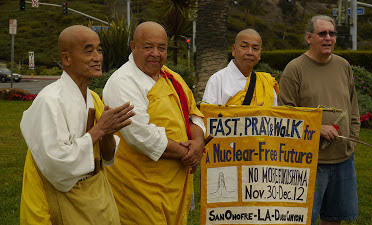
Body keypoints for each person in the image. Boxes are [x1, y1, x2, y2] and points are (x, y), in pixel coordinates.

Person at [19, 25, 135, 225]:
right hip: (62, 197)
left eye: (99, 50)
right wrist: (99, 129)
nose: (97, 57)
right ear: (66, 59)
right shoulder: (50, 100)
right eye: (88, 51)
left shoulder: (94, 99)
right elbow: (56, 164)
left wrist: (108, 133)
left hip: (96, 194)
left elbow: (106, 158)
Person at [102, 21, 206, 224]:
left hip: (175, 188)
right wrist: (188, 153)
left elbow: (193, 115)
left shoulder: (172, 77)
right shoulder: (123, 82)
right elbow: (140, 136)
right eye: (148, 47)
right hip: (138, 191)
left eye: (162, 48)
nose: (156, 54)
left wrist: (198, 142)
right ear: (133, 47)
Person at [278, 15, 360, 225]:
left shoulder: (343, 66)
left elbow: (353, 106)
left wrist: (352, 140)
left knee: (334, 218)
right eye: (322, 33)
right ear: (309, 37)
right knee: (302, 219)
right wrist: (316, 128)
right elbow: (285, 116)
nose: (328, 38)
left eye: (332, 33)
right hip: (309, 161)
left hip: (343, 160)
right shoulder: (294, 69)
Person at [202, 28, 279, 106]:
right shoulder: (218, 80)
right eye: (244, 46)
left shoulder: (265, 83)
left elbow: (274, 116)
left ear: (260, 54)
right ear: (234, 50)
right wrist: (249, 114)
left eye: (255, 48)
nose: (250, 52)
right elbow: (208, 115)